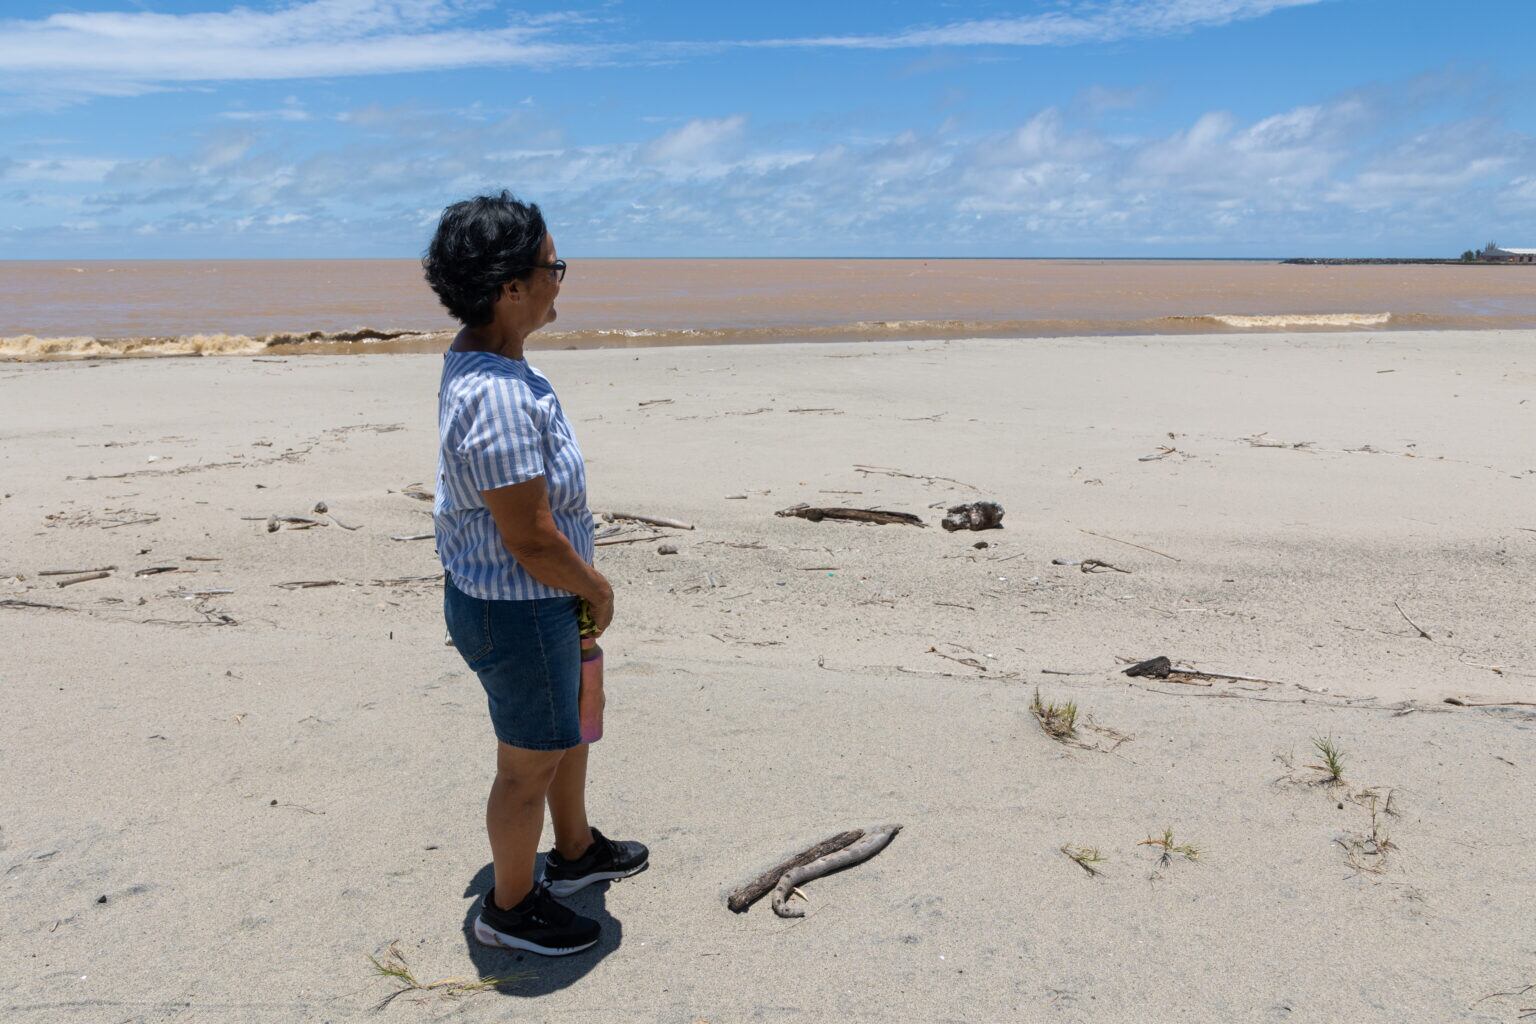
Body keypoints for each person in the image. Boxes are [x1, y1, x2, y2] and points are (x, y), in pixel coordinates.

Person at [424, 191, 647, 956]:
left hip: (535, 600)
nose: (562, 279)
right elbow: (528, 536)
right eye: (554, 265)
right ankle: (511, 907)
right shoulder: (494, 395)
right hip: (519, 606)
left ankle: (576, 853)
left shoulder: (497, 366)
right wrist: (596, 586)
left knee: (567, 730)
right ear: (510, 286)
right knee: (528, 762)